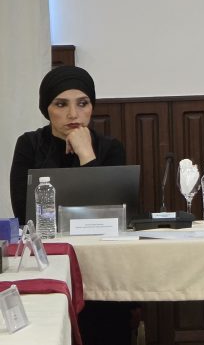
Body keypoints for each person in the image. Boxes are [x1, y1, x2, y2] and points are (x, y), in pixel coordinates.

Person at [10, 65, 132, 345]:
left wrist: (86, 154)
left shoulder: (109, 148)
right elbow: (25, 215)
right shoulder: (29, 145)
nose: (73, 114)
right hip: (47, 263)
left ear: (92, 107)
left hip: (102, 266)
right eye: (61, 104)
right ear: (46, 109)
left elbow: (112, 215)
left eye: (82, 103)